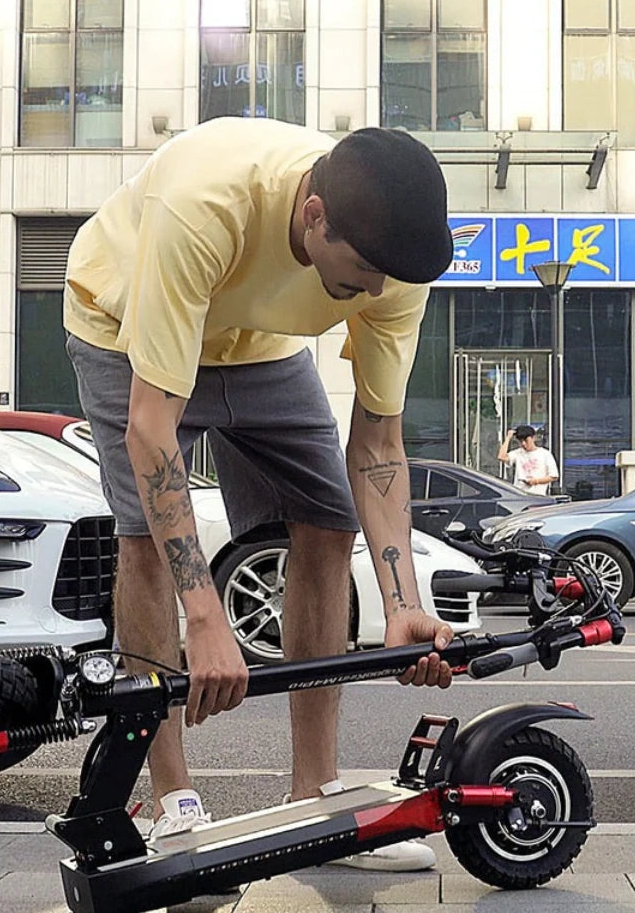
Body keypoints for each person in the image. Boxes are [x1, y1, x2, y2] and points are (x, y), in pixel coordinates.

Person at [63, 116, 456, 872]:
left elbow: (378, 447)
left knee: (327, 520)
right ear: (314, 215)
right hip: (120, 324)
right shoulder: (205, 204)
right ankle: (174, 804)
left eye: (386, 277)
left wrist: (401, 601)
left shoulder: (391, 267)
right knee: (145, 539)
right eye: (361, 271)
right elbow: (151, 428)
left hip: (257, 343)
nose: (376, 291)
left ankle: (314, 792)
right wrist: (205, 617)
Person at [497, 425, 559, 495]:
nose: (523, 444)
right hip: (519, 494)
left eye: (526, 441)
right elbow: (501, 457)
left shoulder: (545, 454)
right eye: (520, 441)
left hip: (537, 495)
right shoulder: (517, 453)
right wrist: (508, 438)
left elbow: (553, 476)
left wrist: (536, 481)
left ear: (533, 438)